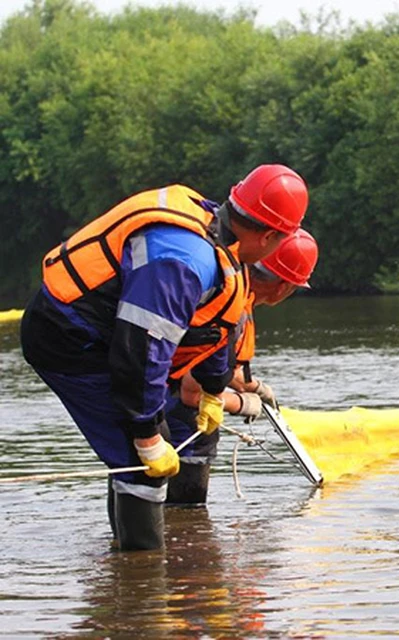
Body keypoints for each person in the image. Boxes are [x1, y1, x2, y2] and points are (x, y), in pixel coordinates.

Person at [19, 164, 309, 551]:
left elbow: (213, 328)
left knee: (149, 443)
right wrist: (146, 432)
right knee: (140, 460)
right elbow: (139, 351)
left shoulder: (223, 243)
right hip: (67, 335)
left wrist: (211, 388)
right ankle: (145, 587)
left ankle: (130, 571)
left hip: (108, 336)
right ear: (271, 235)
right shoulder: (183, 261)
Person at [166, 229, 319, 505]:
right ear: (284, 286)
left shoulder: (231, 286)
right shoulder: (233, 310)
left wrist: (254, 387)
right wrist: (241, 403)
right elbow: (191, 393)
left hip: (141, 400)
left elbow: (216, 364)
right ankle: (184, 535)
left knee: (136, 492)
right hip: (173, 417)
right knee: (185, 513)